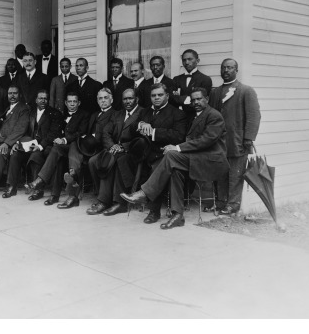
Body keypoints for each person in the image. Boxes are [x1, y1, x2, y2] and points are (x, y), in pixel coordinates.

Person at [120, 88, 229, 230]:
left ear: (207, 99)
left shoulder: (214, 115)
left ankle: (144, 193)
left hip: (211, 160)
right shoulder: (194, 115)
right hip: (194, 157)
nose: (196, 102)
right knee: (175, 169)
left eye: (199, 99)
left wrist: (177, 148)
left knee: (171, 155)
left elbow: (206, 140)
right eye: (193, 99)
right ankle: (178, 216)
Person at [209, 58, 261, 215]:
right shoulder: (215, 92)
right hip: (219, 142)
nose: (226, 70)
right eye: (223, 68)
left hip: (237, 141)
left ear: (236, 70)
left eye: (230, 68)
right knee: (220, 173)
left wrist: (248, 138)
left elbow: (254, 116)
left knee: (235, 174)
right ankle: (220, 203)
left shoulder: (246, 91)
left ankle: (233, 204)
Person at [131, 83, 188, 223]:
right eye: (153, 95)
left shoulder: (177, 113)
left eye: (160, 95)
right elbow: (131, 128)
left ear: (167, 96)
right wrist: (141, 125)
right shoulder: (144, 112)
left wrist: (154, 131)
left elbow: (179, 136)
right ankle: (121, 201)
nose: (156, 98)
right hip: (144, 153)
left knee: (156, 168)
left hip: (163, 153)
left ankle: (153, 212)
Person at [87, 88, 143, 216]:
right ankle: (104, 195)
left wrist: (123, 146)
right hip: (114, 150)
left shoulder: (143, 113)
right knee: (93, 160)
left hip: (132, 152)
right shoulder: (118, 114)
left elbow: (141, 139)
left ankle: (116, 202)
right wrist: (112, 146)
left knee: (116, 161)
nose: (127, 101)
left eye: (130, 98)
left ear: (137, 99)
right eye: (125, 99)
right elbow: (106, 132)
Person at [27, 91, 89, 206]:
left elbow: (80, 133)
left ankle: (41, 181)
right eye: (69, 101)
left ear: (79, 103)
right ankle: (54, 196)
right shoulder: (62, 114)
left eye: (74, 101)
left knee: (56, 151)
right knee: (57, 156)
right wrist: (58, 139)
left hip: (76, 147)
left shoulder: (84, 115)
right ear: (65, 103)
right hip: (62, 148)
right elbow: (56, 130)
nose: (72, 104)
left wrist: (64, 140)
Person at [60, 87, 116, 208]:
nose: (103, 101)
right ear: (97, 101)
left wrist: (91, 137)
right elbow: (84, 131)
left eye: (106, 98)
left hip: (101, 148)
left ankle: (73, 190)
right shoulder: (94, 114)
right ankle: (73, 177)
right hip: (88, 146)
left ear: (111, 99)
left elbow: (108, 134)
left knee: (85, 157)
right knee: (74, 144)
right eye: (100, 98)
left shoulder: (115, 114)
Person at [3, 89, 63, 199]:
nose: (43, 100)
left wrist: (40, 146)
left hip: (45, 146)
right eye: (40, 98)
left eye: (45, 98)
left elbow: (53, 134)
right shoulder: (30, 112)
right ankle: (12, 186)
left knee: (36, 156)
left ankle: (38, 190)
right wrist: (18, 143)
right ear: (36, 100)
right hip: (29, 144)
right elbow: (23, 129)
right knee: (15, 154)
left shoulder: (55, 113)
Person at [172, 49, 212, 121]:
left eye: (190, 59)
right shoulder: (176, 79)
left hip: (197, 119)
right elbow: (172, 99)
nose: (187, 62)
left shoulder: (205, 79)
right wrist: (187, 99)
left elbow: (202, 102)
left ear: (197, 61)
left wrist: (180, 98)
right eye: (184, 60)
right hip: (178, 118)